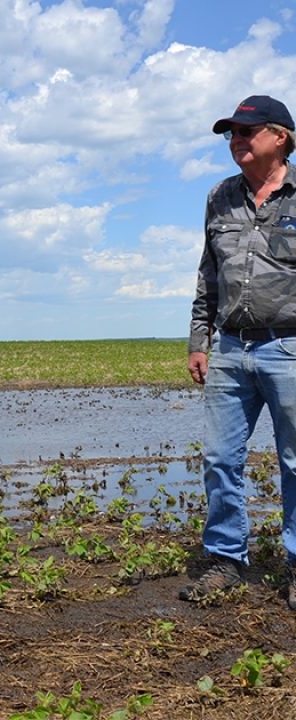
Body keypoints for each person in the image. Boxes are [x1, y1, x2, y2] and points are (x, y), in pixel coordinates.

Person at [182, 94, 296, 608]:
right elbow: (209, 275)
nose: (237, 141)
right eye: (232, 133)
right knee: (219, 459)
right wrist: (199, 341)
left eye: (247, 132)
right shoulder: (220, 196)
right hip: (230, 348)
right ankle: (226, 560)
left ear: (281, 137)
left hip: (290, 348)